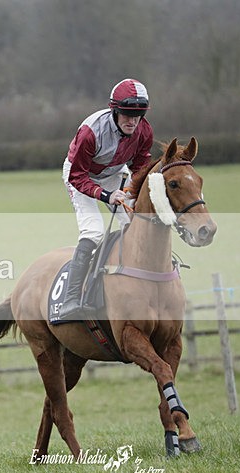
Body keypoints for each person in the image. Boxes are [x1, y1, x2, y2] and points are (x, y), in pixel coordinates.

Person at [57, 78, 154, 321]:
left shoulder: (144, 131)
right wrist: (107, 196)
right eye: (127, 115)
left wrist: (135, 191)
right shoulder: (91, 132)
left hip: (113, 173)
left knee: (136, 223)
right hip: (80, 176)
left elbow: (140, 166)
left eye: (138, 115)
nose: (133, 121)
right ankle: (70, 300)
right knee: (94, 232)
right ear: (114, 110)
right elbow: (77, 176)